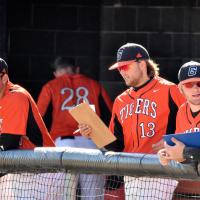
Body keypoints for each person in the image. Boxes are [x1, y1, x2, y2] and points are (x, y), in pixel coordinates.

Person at [79, 43, 185, 200]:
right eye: (119, 69)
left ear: (142, 64)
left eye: (125, 67)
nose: (121, 72)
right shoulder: (120, 100)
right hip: (131, 171)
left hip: (159, 168)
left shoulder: (170, 90)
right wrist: (93, 132)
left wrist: (173, 141)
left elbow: (192, 121)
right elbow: (115, 145)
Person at [37, 56, 113, 200]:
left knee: (62, 195)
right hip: (92, 142)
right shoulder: (94, 84)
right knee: (93, 195)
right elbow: (111, 116)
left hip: (62, 145)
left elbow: (38, 118)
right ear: (76, 69)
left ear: (56, 73)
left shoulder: (51, 86)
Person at [0, 58, 55, 199]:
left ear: (4, 77)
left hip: (41, 170)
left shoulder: (16, 96)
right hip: (18, 168)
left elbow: (8, 144)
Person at [158, 61, 200, 198]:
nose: (195, 89)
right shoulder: (182, 111)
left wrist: (186, 152)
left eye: (199, 83)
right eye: (189, 85)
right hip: (186, 190)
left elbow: (185, 152)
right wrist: (168, 154)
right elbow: (181, 154)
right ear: (181, 89)